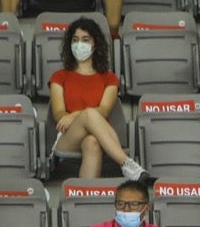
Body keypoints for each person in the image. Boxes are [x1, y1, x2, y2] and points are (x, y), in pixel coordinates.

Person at [50, 17, 147, 181]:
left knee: (92, 142)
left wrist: (74, 114)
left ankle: (85, 197)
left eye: (85, 39)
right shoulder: (59, 77)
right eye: (75, 40)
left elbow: (104, 110)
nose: (79, 44)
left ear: (95, 44)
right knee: (88, 114)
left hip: (100, 136)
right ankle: (126, 163)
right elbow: (59, 114)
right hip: (68, 136)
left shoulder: (109, 78)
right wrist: (78, 116)